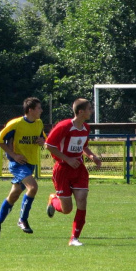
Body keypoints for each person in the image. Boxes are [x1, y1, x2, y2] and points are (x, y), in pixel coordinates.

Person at [45, 98, 102, 246]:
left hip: (79, 169)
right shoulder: (64, 126)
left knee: (82, 200)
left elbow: (83, 146)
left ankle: (74, 238)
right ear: (81, 111)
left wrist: (92, 156)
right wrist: (67, 159)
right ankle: (53, 199)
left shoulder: (86, 128)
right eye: (89, 109)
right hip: (63, 170)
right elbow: (49, 145)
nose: (91, 111)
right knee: (67, 209)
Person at [0, 97, 46, 238]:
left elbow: (43, 139)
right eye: (39, 108)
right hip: (18, 164)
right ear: (30, 110)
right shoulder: (16, 124)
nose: (41, 110)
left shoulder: (39, 123)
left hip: (30, 163)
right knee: (33, 187)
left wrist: (42, 141)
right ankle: (23, 219)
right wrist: (14, 155)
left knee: (13, 196)